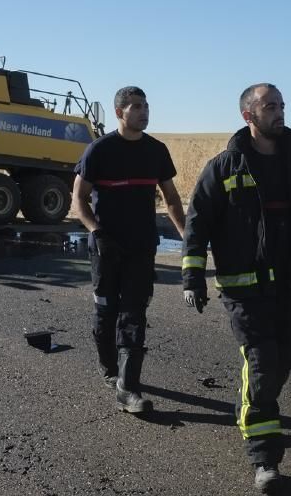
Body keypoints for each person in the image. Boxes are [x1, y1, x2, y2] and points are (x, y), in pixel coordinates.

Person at [181, 83, 291, 493]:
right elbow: (197, 224)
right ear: (248, 116)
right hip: (245, 291)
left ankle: (252, 408)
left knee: (284, 359)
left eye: (281, 105)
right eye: (269, 106)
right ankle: (265, 457)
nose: (279, 112)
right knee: (261, 364)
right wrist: (192, 276)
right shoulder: (224, 167)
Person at [71, 86, 185, 414]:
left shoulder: (156, 151)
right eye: (136, 106)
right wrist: (97, 231)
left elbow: (172, 199)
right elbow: (78, 199)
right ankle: (110, 369)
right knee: (106, 312)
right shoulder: (99, 150)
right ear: (120, 112)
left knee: (135, 313)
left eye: (146, 106)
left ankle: (128, 386)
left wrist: (186, 236)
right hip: (106, 248)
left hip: (141, 247)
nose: (144, 112)